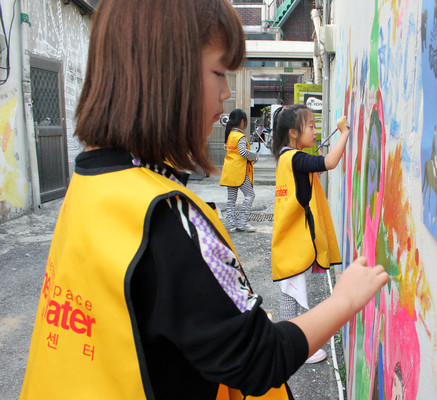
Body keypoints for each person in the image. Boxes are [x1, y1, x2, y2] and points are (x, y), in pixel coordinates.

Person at [19, 0, 389, 399]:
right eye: (218, 73)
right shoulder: (169, 217)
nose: (227, 95)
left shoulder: (91, 181)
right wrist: (347, 297)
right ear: (164, 76)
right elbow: (258, 357)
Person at [270, 104, 350, 364]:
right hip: (295, 240)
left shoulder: (286, 157)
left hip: (289, 239)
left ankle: (286, 344)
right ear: (294, 133)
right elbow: (330, 162)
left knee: (289, 292)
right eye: (312, 126)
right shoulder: (295, 158)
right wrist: (344, 134)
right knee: (290, 293)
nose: (316, 131)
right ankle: (292, 349)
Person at [220, 108, 258, 233]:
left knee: (231, 200)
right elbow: (242, 152)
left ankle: (232, 225)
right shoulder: (240, 136)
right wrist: (254, 156)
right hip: (239, 171)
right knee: (250, 195)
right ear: (242, 121)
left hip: (228, 171)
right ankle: (243, 222)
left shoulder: (229, 134)